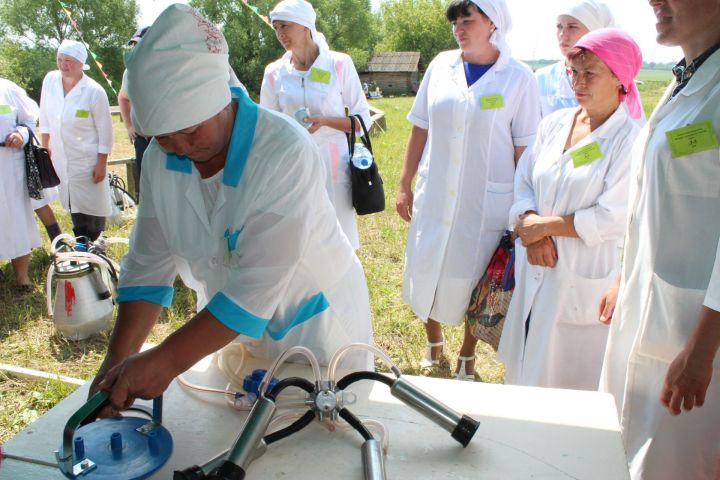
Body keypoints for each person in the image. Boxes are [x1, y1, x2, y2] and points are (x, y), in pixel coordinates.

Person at [89, 4, 373, 413]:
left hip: (316, 329)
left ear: (221, 101)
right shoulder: (158, 159)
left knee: (320, 437)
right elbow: (149, 263)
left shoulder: (284, 152)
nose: (181, 149)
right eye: (165, 137)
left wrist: (166, 361)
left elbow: (253, 285)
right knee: (232, 433)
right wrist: (116, 361)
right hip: (228, 329)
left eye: (190, 130)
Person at [597, 0, 720, 478]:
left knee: (681, 463)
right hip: (650, 311)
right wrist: (624, 274)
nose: (654, 0)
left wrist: (703, 348)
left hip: (696, 329)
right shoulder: (685, 77)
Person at [396, 0, 540, 380]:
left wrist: (525, 205)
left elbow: (524, 149)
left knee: (477, 277)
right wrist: (404, 182)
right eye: (455, 22)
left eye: (468, 20)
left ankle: (467, 356)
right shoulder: (440, 66)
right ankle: (434, 344)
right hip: (435, 189)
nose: (459, 28)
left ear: (493, 22)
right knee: (428, 267)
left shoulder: (519, 77)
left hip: (487, 198)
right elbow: (419, 126)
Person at [497, 28, 643, 390]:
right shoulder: (554, 124)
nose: (578, 82)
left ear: (620, 80)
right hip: (536, 264)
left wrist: (544, 227)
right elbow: (525, 181)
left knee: (567, 380)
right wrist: (530, 227)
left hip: (581, 275)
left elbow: (613, 215)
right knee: (526, 368)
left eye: (590, 73)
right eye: (573, 73)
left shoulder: (630, 140)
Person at [260, 0, 372, 250]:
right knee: (299, 243)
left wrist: (325, 122)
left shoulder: (339, 64)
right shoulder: (273, 73)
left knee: (339, 243)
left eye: (285, 26)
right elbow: (266, 127)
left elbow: (363, 122)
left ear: (305, 26)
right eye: (276, 27)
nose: (280, 34)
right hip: (292, 169)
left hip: (334, 168)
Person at [39, 39, 113, 242]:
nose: (63, 65)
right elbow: (44, 116)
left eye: (69, 60)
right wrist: (45, 146)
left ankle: (95, 240)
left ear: (81, 63)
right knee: (72, 199)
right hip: (62, 155)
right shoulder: (50, 81)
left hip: (87, 157)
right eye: (60, 59)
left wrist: (102, 162)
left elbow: (105, 131)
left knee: (93, 202)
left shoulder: (94, 91)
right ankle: (81, 239)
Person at [535, 0, 615, 117]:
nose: (562, 34)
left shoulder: (615, 80)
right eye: (559, 26)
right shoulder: (541, 78)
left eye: (572, 26)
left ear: (595, 31)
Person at [0, 77, 43, 291]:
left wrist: (20, 134)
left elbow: (28, 120)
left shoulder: (7, 88)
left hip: (9, 163)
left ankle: (22, 276)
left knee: (17, 218)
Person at [118, 27, 151, 198]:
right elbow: (123, 97)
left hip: (166, 139)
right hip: (143, 139)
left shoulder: (167, 68)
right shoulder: (129, 71)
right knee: (146, 184)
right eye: (133, 45)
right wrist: (129, 126)